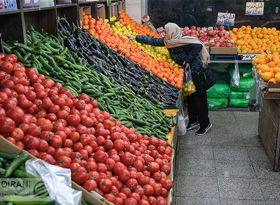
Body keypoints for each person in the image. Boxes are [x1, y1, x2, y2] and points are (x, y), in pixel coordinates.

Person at [127, 23, 212, 135]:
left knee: (199, 98)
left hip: (196, 71)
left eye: (166, 32)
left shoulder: (183, 40)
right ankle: (193, 120)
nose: (164, 34)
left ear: (172, 32)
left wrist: (188, 60)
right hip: (186, 73)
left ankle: (205, 124)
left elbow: (198, 45)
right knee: (190, 96)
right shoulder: (169, 41)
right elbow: (154, 41)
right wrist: (136, 38)